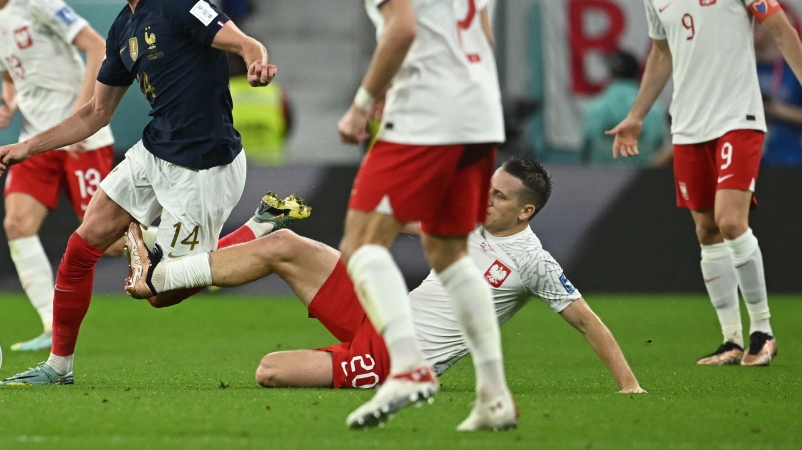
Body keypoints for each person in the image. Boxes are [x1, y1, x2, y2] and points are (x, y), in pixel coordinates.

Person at [0, 0, 277, 385]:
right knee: (83, 243)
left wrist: (256, 61)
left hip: (203, 166)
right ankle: (59, 368)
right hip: (155, 150)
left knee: (161, 292)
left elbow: (242, 42)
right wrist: (27, 147)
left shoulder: (181, 1)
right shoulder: (123, 27)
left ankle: (257, 228)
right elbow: (94, 113)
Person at [124, 157, 646, 397]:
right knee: (284, 245)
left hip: (396, 358)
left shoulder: (533, 262)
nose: (485, 199)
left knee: (269, 371)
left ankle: (162, 276)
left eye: (499, 197)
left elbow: (587, 323)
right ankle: (163, 276)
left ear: (526, 212)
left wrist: (630, 387)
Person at [605, 0, 802, 368]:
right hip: (688, 123)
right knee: (706, 230)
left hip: (737, 116)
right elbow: (661, 53)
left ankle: (763, 332)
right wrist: (637, 115)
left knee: (731, 221)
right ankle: (730, 339)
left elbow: (778, 27)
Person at [334, 0, 511, 432]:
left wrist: (362, 104)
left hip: (429, 113)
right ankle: (493, 395)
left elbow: (402, 26)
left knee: (362, 245)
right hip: (478, 109)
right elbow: (481, 26)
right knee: (448, 251)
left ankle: (408, 368)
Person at [0, 0, 115, 352]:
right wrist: (8, 102)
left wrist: (81, 115)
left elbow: (97, 47)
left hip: (79, 139)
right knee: (16, 224)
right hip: (35, 138)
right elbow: (10, 75)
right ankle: (51, 325)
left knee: (108, 241)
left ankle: (193, 258)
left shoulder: (37, 2)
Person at [583, 51, 666, 166]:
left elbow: (586, 149)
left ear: (611, 74)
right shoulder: (653, 109)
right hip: (641, 181)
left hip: (601, 181)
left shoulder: (595, 108)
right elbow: (660, 151)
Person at [755, 24, 802, 167]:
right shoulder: (745, 68)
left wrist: (779, 111)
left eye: (756, 26)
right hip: (752, 164)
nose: (750, 31)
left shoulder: (797, 68)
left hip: (788, 162)